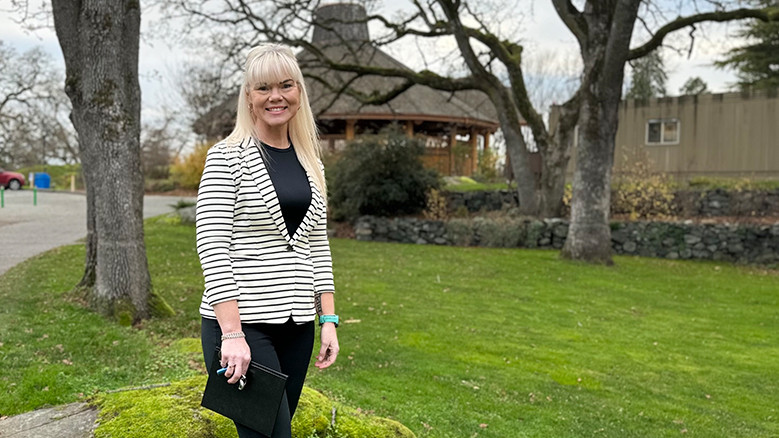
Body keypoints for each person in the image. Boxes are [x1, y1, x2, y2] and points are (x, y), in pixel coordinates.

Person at [196, 43, 339, 438]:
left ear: (299, 93)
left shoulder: (312, 161)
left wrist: (327, 319)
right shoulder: (226, 157)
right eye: (263, 88)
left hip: (297, 327)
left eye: (285, 85)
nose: (276, 96)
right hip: (244, 326)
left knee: (278, 431)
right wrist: (233, 335)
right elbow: (212, 245)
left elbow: (317, 245)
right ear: (249, 97)